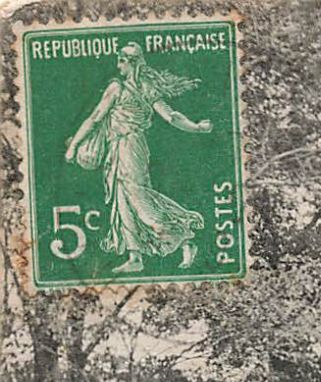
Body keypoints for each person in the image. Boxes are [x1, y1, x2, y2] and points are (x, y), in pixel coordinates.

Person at [63, 43, 211, 275]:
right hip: (118, 147)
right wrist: (197, 128)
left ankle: (183, 237)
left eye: (121, 60)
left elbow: (95, 118)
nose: (118, 65)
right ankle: (135, 256)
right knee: (122, 199)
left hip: (130, 146)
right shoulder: (140, 87)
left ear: (130, 62)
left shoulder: (121, 88)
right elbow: (170, 117)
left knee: (137, 196)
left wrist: (73, 146)